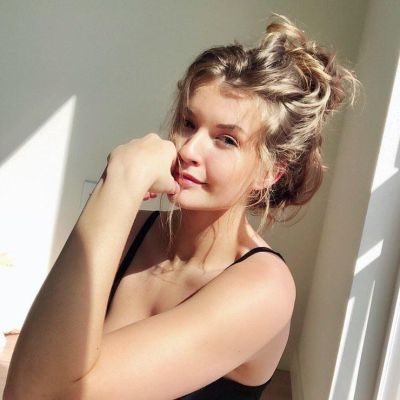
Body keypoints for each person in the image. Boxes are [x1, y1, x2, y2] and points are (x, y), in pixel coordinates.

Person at [4, 14, 358, 400]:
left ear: (269, 173)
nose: (189, 149)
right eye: (188, 123)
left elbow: (37, 391)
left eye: (226, 140)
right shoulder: (133, 230)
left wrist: (121, 182)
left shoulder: (264, 289)